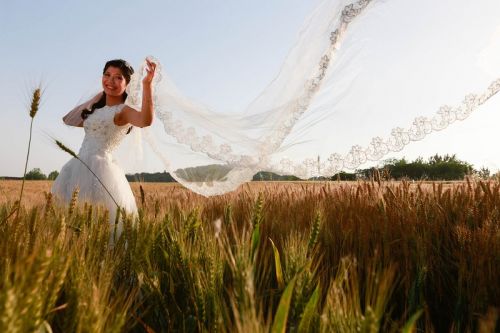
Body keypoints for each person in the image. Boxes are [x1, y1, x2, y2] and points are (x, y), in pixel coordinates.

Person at [52, 58, 157, 228]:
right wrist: (98, 97)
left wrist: (147, 85)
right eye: (107, 75)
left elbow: (145, 120)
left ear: (127, 84)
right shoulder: (95, 110)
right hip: (76, 167)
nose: (110, 81)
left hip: (102, 173)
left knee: (100, 223)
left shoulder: (124, 111)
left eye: (118, 77)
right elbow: (68, 119)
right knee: (69, 221)